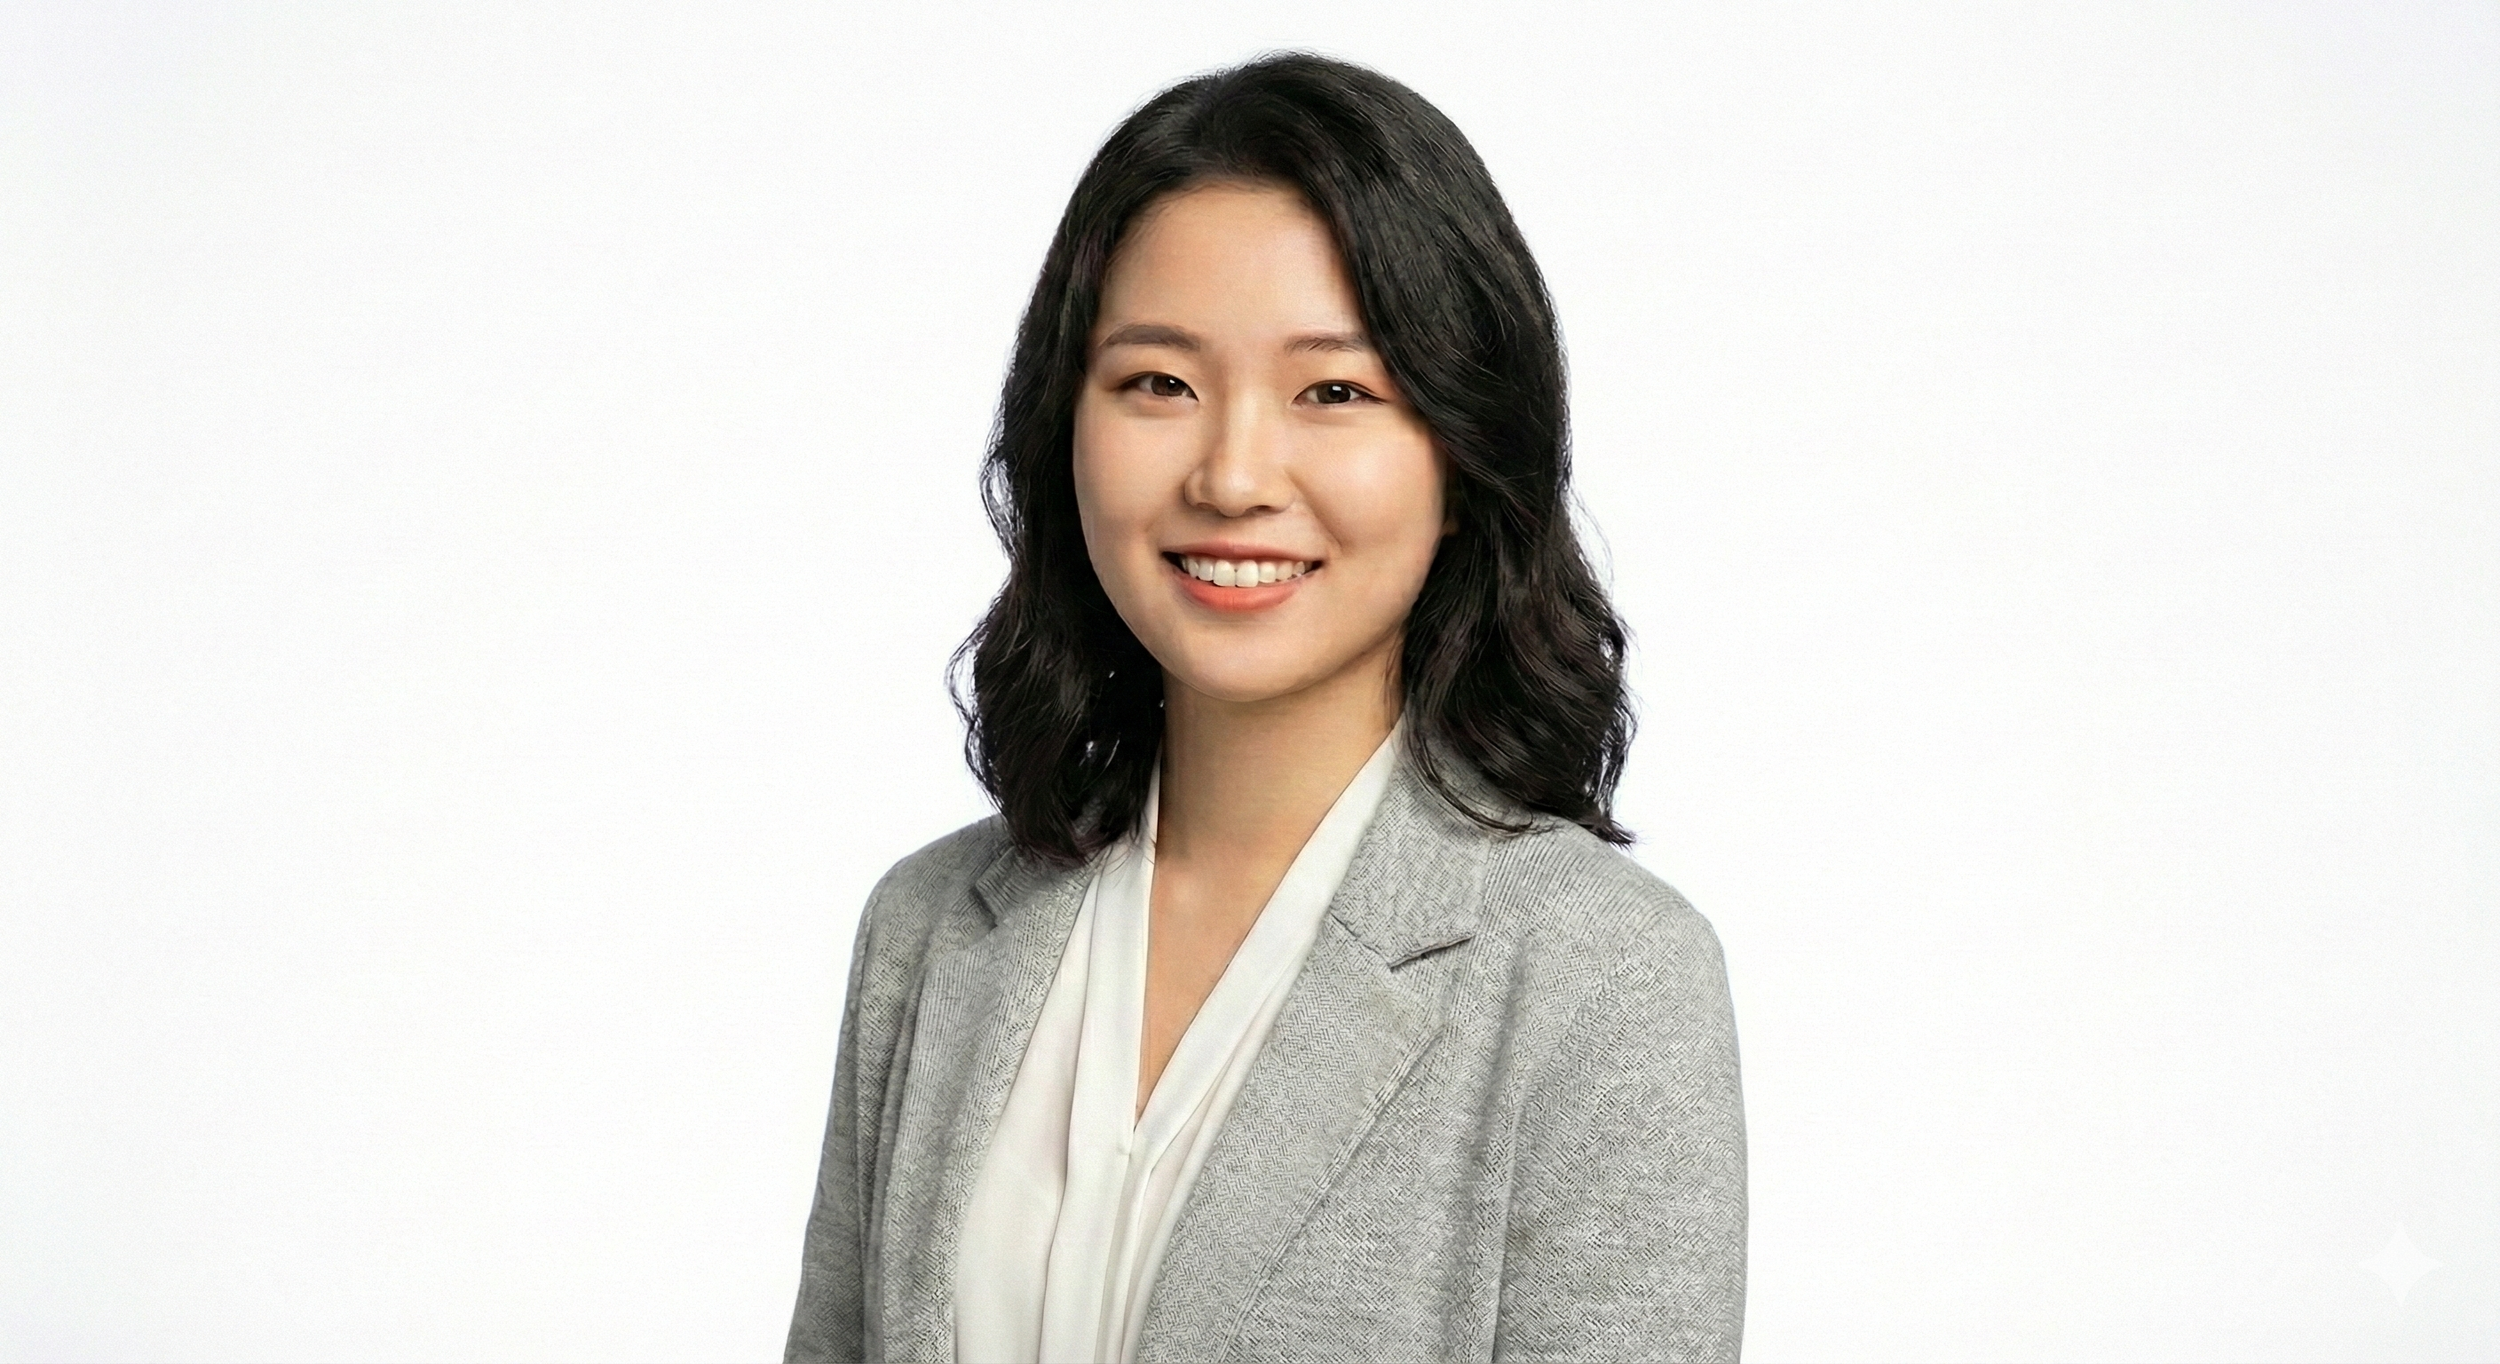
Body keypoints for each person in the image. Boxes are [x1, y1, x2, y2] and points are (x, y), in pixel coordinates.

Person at [785, 53, 1745, 1364]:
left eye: (1334, 392)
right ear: (1063, 430)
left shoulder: (1603, 976)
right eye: (1159, 384)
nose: (1233, 476)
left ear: (1464, 452)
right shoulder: (928, 930)